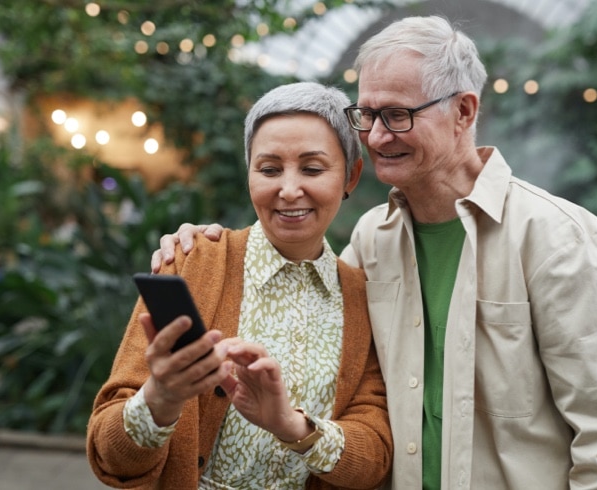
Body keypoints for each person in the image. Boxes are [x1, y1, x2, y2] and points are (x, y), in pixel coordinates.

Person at [152, 15, 597, 489]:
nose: (375, 136)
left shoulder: (556, 237)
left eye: (397, 114)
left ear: (464, 111)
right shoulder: (372, 240)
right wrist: (212, 245)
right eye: (367, 114)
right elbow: (303, 299)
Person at [87, 82, 393, 490]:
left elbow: (374, 454)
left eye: (312, 168)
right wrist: (159, 398)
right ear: (248, 172)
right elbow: (109, 456)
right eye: (268, 169)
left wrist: (291, 425)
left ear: (350, 176)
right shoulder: (194, 262)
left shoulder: (361, 295)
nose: (288, 189)